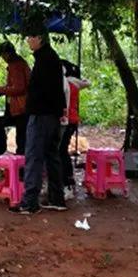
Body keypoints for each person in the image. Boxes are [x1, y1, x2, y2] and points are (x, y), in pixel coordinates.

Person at [11, 26, 66, 214]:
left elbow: (39, 90)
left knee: (34, 156)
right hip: (51, 115)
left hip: (41, 115)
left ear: (40, 38)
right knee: (52, 156)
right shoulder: (51, 58)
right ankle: (57, 198)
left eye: (30, 36)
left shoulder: (44, 60)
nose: (28, 40)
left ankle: (30, 202)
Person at [0, 41, 32, 155]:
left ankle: (21, 165)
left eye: (3, 55)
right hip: (20, 106)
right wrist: (2, 90)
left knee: (22, 138)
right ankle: (21, 162)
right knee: (21, 136)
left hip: (21, 107)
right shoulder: (18, 63)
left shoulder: (16, 65)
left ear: (7, 54)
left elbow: (19, 88)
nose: (3, 58)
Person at [60, 60, 91, 199]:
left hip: (67, 121)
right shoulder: (75, 83)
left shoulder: (67, 84)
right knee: (61, 151)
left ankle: (67, 184)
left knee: (61, 152)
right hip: (72, 120)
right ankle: (66, 183)